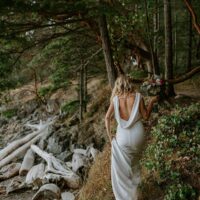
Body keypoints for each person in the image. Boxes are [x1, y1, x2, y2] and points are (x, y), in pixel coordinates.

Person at [105, 74, 159, 200]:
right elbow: (146, 116)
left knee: (123, 171)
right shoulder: (138, 97)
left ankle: (127, 197)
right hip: (137, 134)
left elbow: (107, 118)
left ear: (118, 85)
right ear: (129, 83)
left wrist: (109, 136)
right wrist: (151, 101)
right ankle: (137, 193)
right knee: (136, 165)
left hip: (122, 137)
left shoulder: (116, 100)